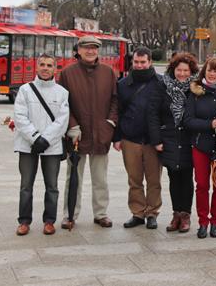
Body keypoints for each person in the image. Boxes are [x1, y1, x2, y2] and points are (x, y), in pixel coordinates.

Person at [59, 36, 118, 229]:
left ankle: (101, 213)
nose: (91, 51)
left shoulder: (108, 73)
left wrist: (109, 123)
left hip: (101, 134)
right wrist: (72, 125)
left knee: (100, 178)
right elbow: (62, 104)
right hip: (77, 134)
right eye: (87, 48)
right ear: (79, 50)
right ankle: (70, 214)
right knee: (73, 176)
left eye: (94, 48)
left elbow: (115, 102)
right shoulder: (68, 73)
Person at [13, 54, 69, 236]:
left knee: (52, 186)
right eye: (42, 65)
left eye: (49, 65)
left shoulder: (62, 93)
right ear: (36, 67)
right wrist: (35, 138)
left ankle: (49, 221)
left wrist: (45, 139)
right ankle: (24, 221)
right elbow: (20, 117)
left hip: (51, 146)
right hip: (27, 145)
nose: (45, 68)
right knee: (26, 185)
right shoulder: (25, 90)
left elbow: (62, 121)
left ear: (55, 69)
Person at [148, 52, 198, 234]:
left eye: (186, 70)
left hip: (188, 139)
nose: (182, 73)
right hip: (168, 138)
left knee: (186, 178)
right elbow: (153, 114)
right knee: (173, 177)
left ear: (191, 71)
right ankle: (176, 214)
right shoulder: (163, 86)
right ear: (173, 70)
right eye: (179, 70)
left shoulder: (196, 88)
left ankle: (185, 215)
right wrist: (157, 140)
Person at [113, 47, 162, 230]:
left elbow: (165, 113)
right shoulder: (123, 84)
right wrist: (117, 137)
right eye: (136, 62)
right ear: (132, 62)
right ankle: (137, 212)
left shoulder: (160, 83)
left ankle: (152, 212)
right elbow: (118, 111)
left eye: (143, 62)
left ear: (150, 62)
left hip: (153, 140)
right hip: (130, 139)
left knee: (154, 180)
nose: (140, 66)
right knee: (134, 179)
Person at [184, 57, 216, 239]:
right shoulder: (195, 93)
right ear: (204, 72)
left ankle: (215, 222)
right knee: (202, 185)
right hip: (200, 144)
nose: (212, 74)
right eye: (209, 70)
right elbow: (188, 121)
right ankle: (203, 221)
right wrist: (209, 124)